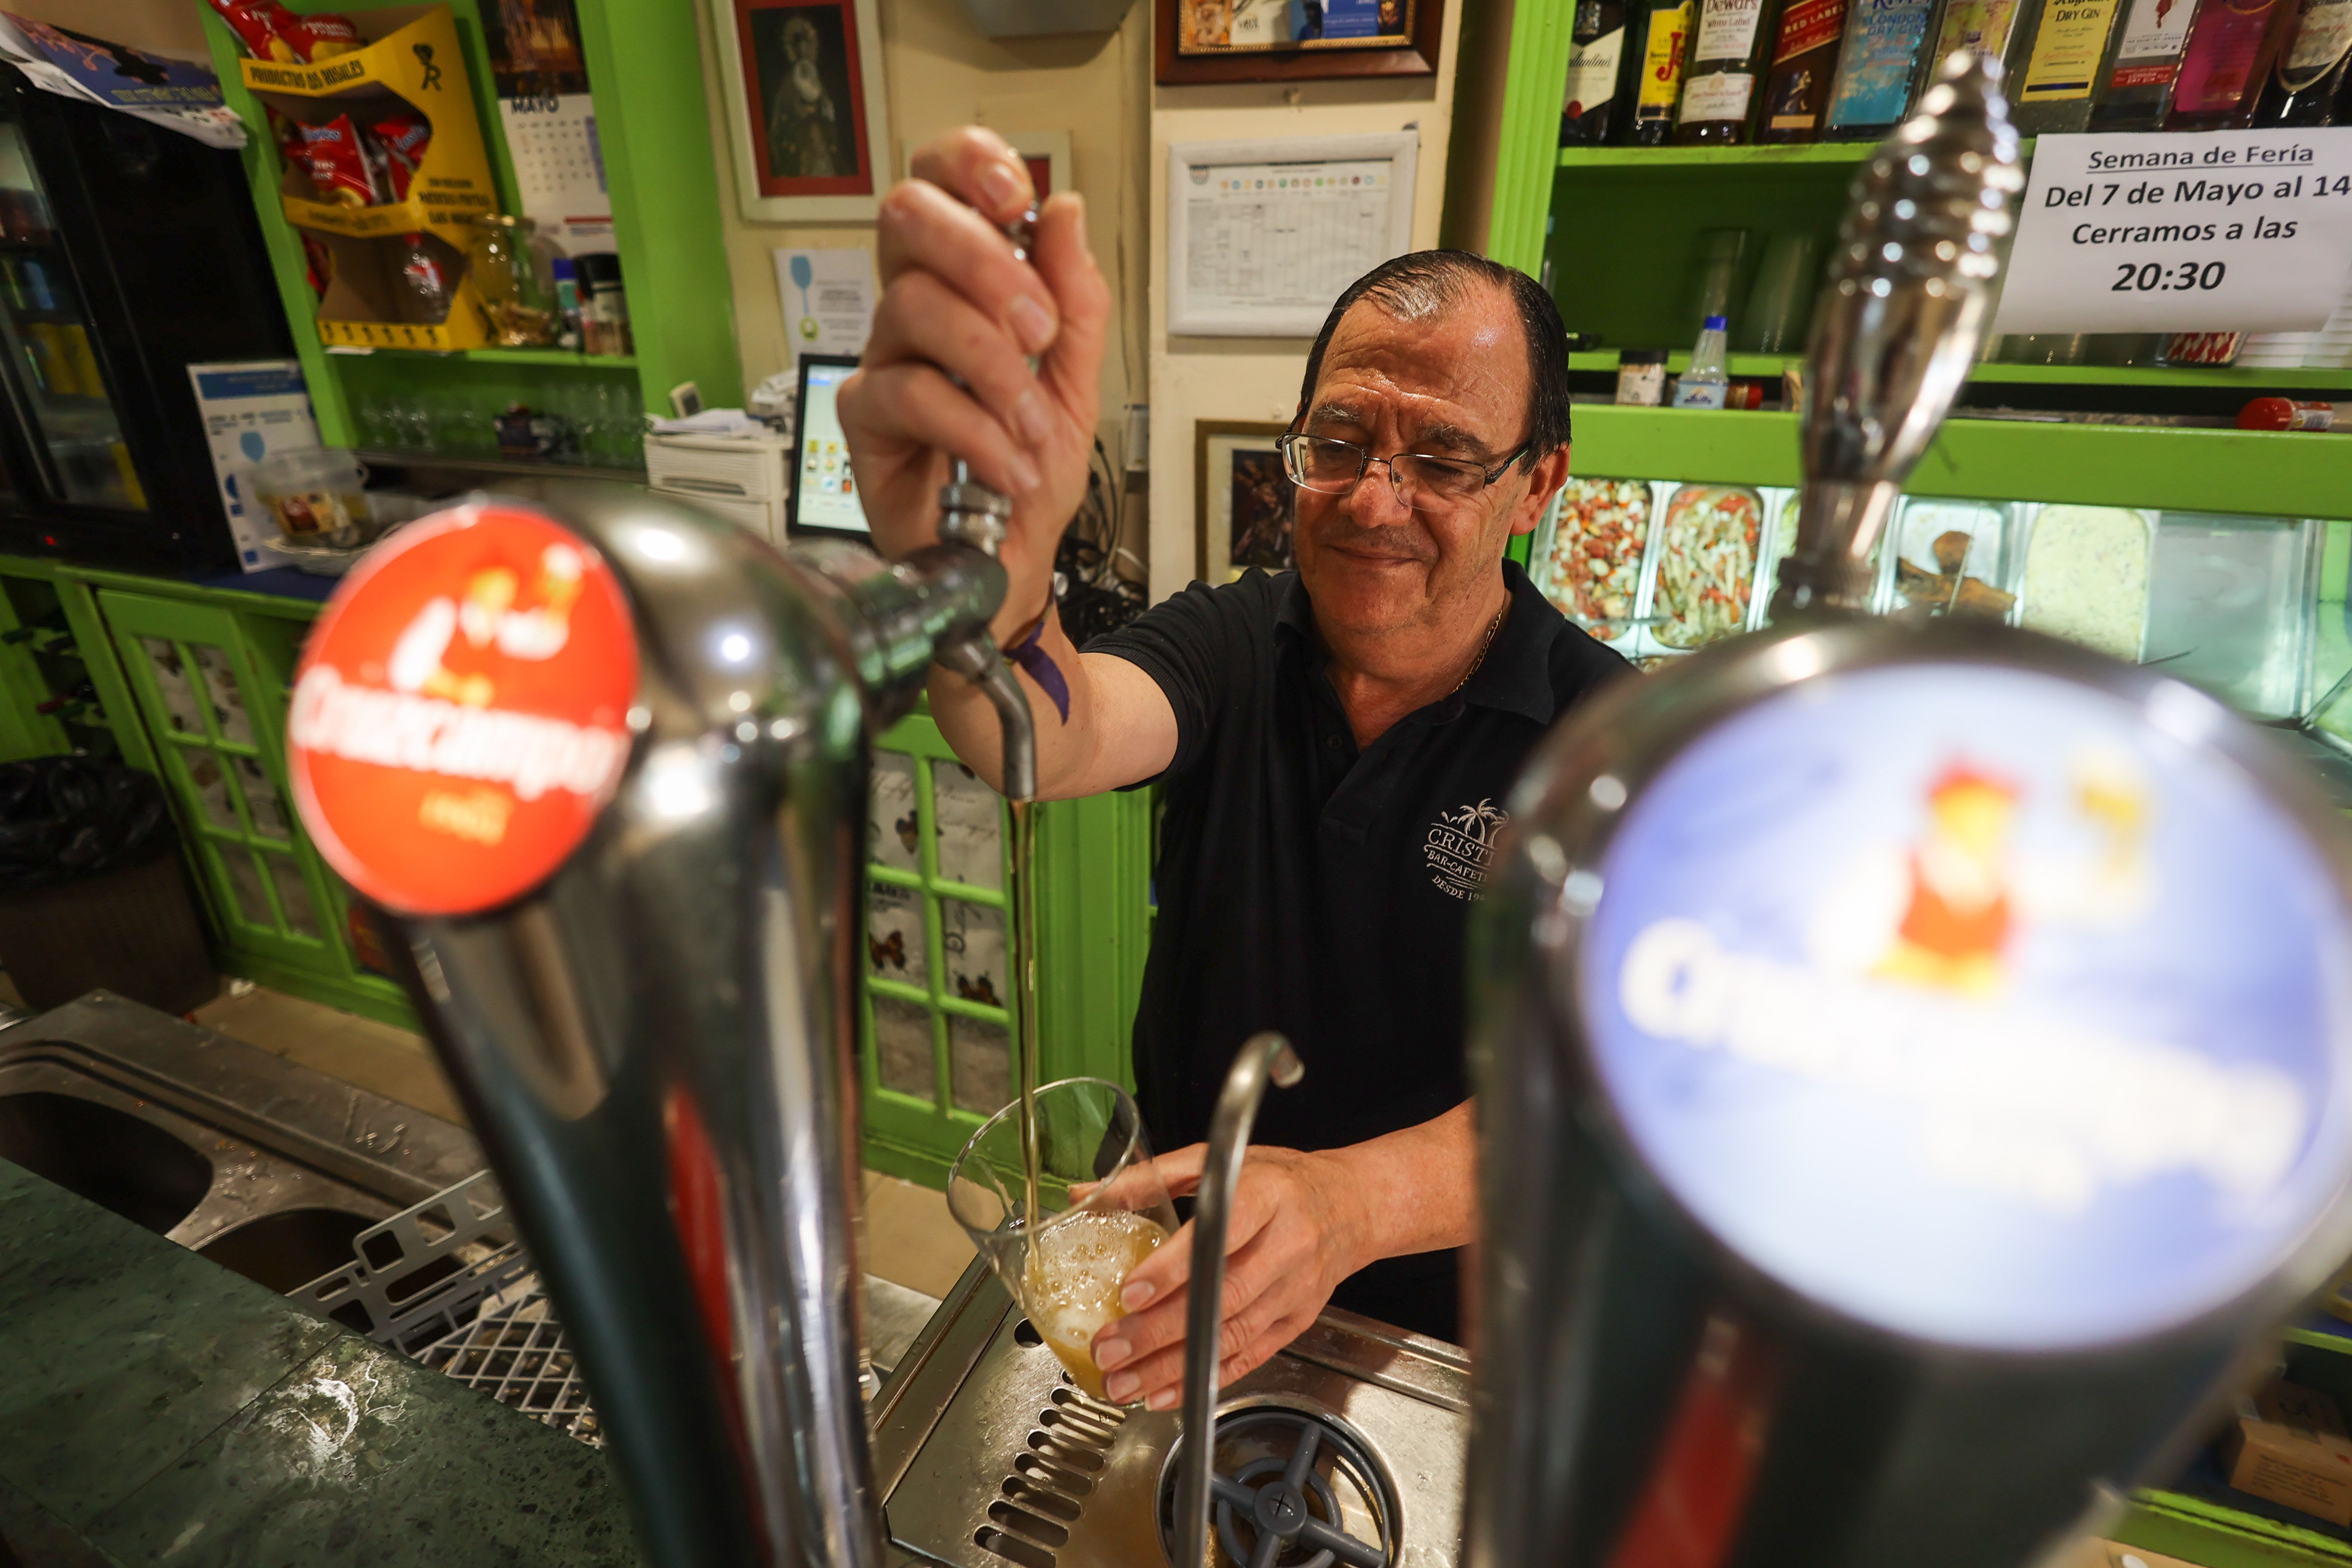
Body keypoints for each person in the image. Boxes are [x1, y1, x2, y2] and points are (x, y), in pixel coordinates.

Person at [838, 128, 1628, 1412]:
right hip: (1180, 1252)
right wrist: (983, 566)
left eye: (1439, 459)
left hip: (1439, 1324)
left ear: (1537, 484)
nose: (1375, 500)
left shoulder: (1611, 740)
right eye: (1339, 441)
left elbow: (1615, 1098)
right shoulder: (1232, 638)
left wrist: (1349, 1201)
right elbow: (1038, 735)